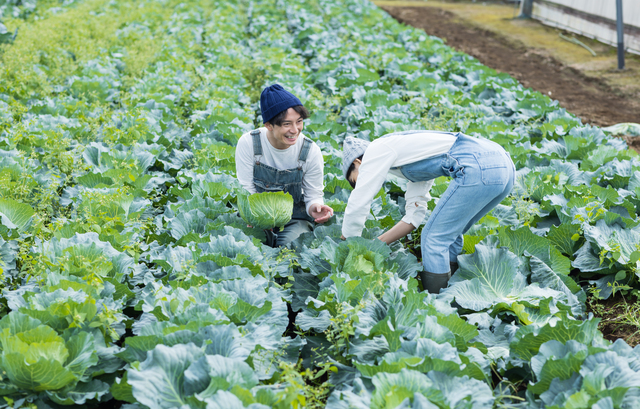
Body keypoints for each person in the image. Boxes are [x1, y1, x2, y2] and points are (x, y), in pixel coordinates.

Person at [341, 130, 515, 293]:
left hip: (480, 166)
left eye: (355, 180)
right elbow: (414, 216)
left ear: (358, 163)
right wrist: (374, 245)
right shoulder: (410, 156)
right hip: (502, 166)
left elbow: (359, 201)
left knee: (434, 239)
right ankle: (453, 294)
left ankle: (438, 306)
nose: (360, 183)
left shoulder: (377, 149)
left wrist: (349, 244)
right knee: (450, 235)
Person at [235, 84, 333, 247]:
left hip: (294, 218)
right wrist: (255, 218)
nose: (295, 130)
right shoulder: (249, 143)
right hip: (255, 216)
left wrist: (316, 207)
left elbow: (313, 194)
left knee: (291, 248)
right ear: (269, 125)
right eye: (287, 124)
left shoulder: (310, 151)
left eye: (299, 122)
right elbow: (247, 189)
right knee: (246, 246)